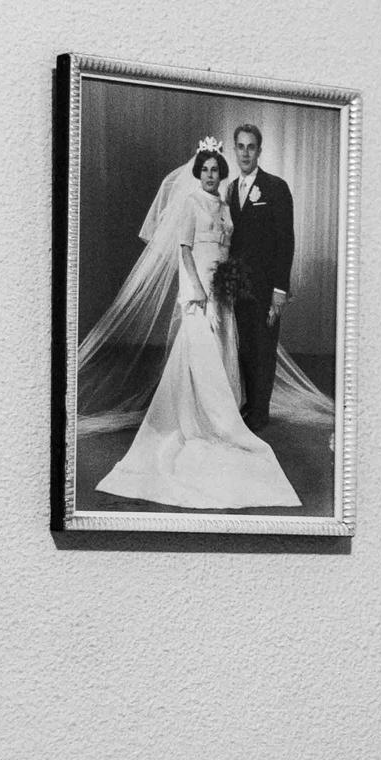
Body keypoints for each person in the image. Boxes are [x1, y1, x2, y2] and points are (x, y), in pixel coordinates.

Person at [94, 140, 300, 509]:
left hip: (222, 287)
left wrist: (230, 284)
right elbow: (184, 249)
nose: (210, 175)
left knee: (221, 349)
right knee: (201, 351)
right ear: (197, 173)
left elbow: (233, 246)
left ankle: (218, 414)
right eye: (204, 169)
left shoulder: (224, 204)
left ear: (221, 173)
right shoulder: (191, 203)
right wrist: (197, 289)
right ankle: (202, 419)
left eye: (215, 170)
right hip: (199, 285)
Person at [228, 123, 295, 431]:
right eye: (240, 147)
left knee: (263, 349)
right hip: (238, 288)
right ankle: (249, 405)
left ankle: (260, 414)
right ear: (235, 149)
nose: (245, 153)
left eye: (251, 147)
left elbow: (286, 241)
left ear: (259, 151)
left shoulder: (275, 187)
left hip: (266, 287)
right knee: (244, 348)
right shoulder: (231, 189)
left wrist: (280, 290)